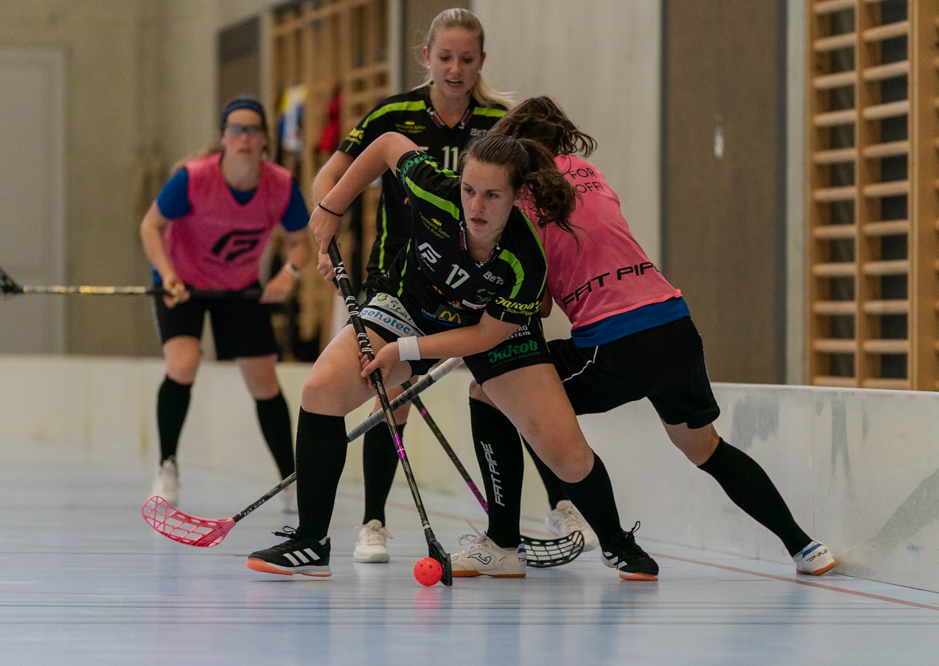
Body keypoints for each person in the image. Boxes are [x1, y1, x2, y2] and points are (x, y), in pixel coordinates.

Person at [244, 131, 659, 581]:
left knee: (568, 457)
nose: (476, 206)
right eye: (469, 190)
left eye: (492, 195)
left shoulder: (525, 260)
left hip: (492, 331)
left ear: (519, 195)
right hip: (408, 307)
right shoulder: (433, 188)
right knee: (321, 389)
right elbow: (386, 144)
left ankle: (617, 544)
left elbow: (482, 337)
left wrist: (404, 352)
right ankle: (311, 541)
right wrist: (332, 207)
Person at [469, 96, 836, 576]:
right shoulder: (588, 173)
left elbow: (536, 303)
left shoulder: (519, 202)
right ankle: (805, 547)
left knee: (494, 393)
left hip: (614, 342)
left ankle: (551, 544)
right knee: (705, 448)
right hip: (675, 326)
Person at [311, 8, 595, 562]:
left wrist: (540, 287)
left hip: (489, 283)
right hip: (405, 278)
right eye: (445, 57)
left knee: (514, 385)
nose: (456, 69)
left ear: (481, 61)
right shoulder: (394, 113)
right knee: (388, 390)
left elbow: (537, 204)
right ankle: (373, 520)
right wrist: (327, 217)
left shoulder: (499, 122)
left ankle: (560, 503)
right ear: (427, 58)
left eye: (467, 59)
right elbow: (334, 173)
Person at [140, 95, 311, 511]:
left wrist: (288, 274)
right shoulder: (192, 179)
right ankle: (166, 467)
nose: (245, 137)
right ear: (224, 137)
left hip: (239, 287)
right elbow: (150, 226)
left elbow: (300, 243)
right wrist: (168, 275)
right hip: (185, 284)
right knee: (183, 364)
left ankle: (291, 478)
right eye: (236, 129)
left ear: (265, 140)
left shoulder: (281, 186)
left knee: (264, 383)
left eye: (254, 129)